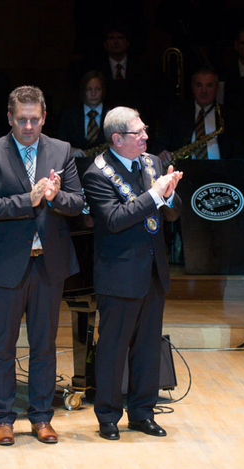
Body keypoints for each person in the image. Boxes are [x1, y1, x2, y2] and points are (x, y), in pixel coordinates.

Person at [0, 86, 84, 446]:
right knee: (2, 347)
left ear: (44, 117)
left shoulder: (61, 150)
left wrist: (56, 196)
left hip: (48, 265)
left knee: (44, 346)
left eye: (35, 119)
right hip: (6, 266)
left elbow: (78, 202)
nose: (29, 126)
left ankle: (41, 417)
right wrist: (28, 199)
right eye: (22, 120)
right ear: (10, 118)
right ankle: (3, 419)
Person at [81, 106, 182, 440]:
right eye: (138, 133)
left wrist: (169, 195)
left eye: (145, 130)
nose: (145, 137)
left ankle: (142, 413)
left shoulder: (151, 163)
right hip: (119, 274)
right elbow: (114, 220)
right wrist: (156, 194)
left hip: (153, 270)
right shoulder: (97, 174)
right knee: (113, 349)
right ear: (117, 139)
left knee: (148, 348)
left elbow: (172, 212)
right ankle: (108, 416)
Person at [153, 68, 244, 164]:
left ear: (217, 88)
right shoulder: (176, 113)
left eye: (209, 85)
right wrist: (161, 154)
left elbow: (240, 153)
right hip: (184, 170)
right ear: (192, 87)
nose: (204, 91)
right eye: (199, 85)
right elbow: (158, 146)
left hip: (221, 170)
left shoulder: (229, 115)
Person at [57, 70, 108, 156]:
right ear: (83, 91)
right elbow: (59, 143)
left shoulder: (113, 114)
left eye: (97, 89)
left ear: (103, 90)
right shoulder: (69, 115)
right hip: (75, 162)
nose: (93, 94)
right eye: (89, 89)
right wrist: (71, 150)